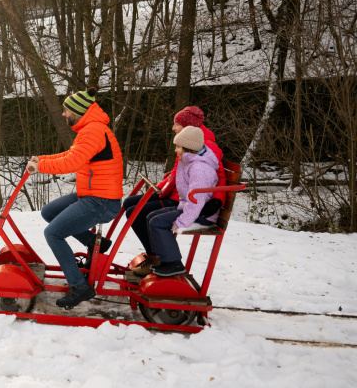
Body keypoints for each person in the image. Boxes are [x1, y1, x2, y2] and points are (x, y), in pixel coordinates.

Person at [26, 88, 123, 308]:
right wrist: (41, 159)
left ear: (78, 111)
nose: (63, 114)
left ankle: (80, 286)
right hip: (92, 195)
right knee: (49, 212)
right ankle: (94, 242)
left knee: (53, 233)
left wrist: (40, 166)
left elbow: (71, 163)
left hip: (101, 201)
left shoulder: (93, 132)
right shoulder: (91, 130)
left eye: (66, 110)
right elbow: (70, 155)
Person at [126, 106, 227, 276]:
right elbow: (176, 173)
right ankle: (159, 255)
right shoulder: (188, 146)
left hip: (187, 201)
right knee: (131, 205)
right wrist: (162, 186)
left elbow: (217, 176)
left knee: (138, 213)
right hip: (181, 197)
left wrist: (217, 200)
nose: (173, 127)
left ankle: (161, 257)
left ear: (187, 126)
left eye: (176, 123)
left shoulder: (203, 148)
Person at [144, 126, 220, 277]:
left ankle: (174, 263)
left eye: (178, 147)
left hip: (201, 214)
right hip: (190, 208)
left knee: (157, 222)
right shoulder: (190, 162)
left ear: (188, 148)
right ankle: (166, 260)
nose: (176, 150)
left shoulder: (198, 168)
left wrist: (181, 221)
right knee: (151, 216)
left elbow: (196, 201)